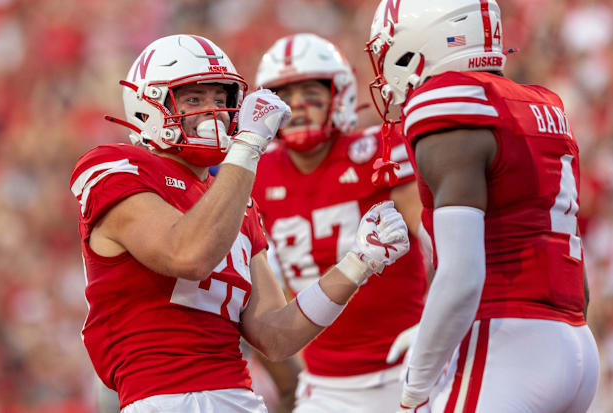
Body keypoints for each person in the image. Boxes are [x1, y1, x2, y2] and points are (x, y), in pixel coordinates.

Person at [69, 34, 411, 413]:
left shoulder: (234, 198)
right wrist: (247, 146)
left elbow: (276, 335)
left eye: (222, 99)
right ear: (149, 104)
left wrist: (358, 262)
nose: (213, 111)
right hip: (162, 399)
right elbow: (187, 255)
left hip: (239, 398)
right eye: (194, 99)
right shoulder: (118, 166)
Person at [365, 1, 600, 412]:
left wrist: (415, 385)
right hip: (575, 341)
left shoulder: (448, 102)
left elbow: (462, 277)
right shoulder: (541, 102)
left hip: (507, 343)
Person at [251, 33, 428, 413]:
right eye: (284, 94)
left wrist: (441, 323)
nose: (297, 106)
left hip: (407, 368)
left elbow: (439, 238)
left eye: (309, 91)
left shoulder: (378, 150)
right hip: (323, 384)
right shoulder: (256, 172)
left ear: (340, 93)